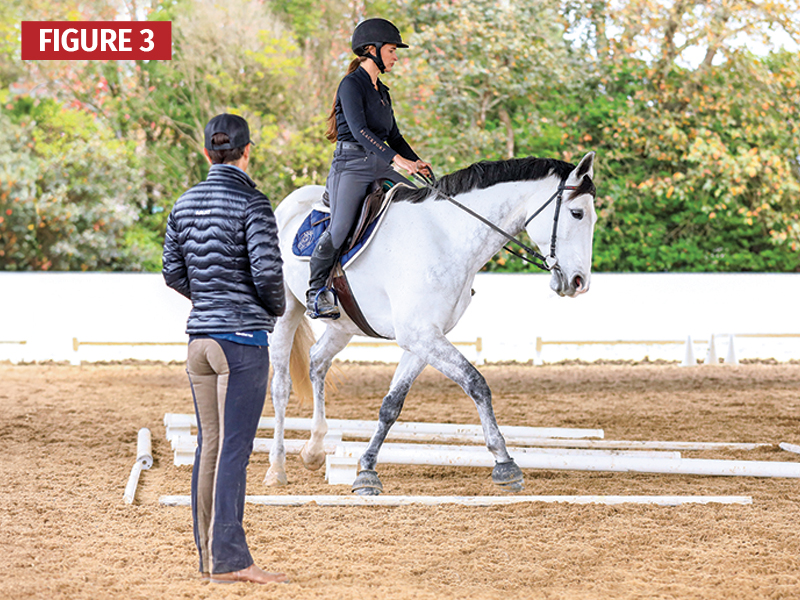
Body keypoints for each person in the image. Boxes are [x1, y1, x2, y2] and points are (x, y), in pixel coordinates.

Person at [162, 113, 288, 586]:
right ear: (246, 150)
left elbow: (173, 271)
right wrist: (269, 313)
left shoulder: (184, 201)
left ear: (207, 152)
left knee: (209, 448)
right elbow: (269, 275)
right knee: (234, 450)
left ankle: (210, 558)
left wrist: (210, 298)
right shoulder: (253, 202)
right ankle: (233, 561)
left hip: (200, 343)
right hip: (241, 344)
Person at [306, 17, 432, 319]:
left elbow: (395, 136)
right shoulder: (351, 85)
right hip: (350, 166)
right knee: (339, 228)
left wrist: (415, 161)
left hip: (380, 163)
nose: (395, 56)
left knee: (421, 209)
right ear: (372, 50)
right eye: (391, 50)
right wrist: (396, 160)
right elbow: (360, 130)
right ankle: (316, 293)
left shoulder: (382, 91)